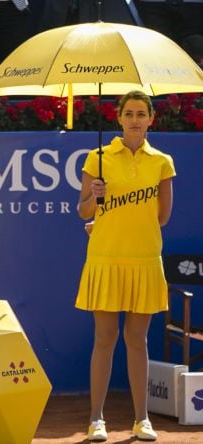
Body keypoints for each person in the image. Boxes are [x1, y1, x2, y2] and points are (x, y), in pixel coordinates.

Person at [75, 90, 176, 443]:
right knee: (105, 339)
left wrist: (123, 216)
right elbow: (83, 211)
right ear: (119, 118)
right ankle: (96, 421)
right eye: (129, 113)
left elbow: (162, 217)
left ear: (151, 119)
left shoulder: (162, 162)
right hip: (105, 258)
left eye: (141, 113)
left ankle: (141, 420)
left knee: (137, 340)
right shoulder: (97, 158)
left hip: (145, 259)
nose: (134, 119)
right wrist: (95, 198)